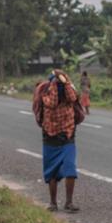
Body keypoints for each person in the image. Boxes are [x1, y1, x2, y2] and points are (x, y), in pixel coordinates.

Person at [39, 69, 80, 212]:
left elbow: (73, 97)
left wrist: (65, 82)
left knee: (70, 169)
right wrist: (59, 83)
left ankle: (69, 202)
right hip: (50, 138)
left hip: (67, 137)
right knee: (52, 172)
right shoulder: (46, 96)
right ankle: (53, 203)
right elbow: (53, 102)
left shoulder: (70, 95)